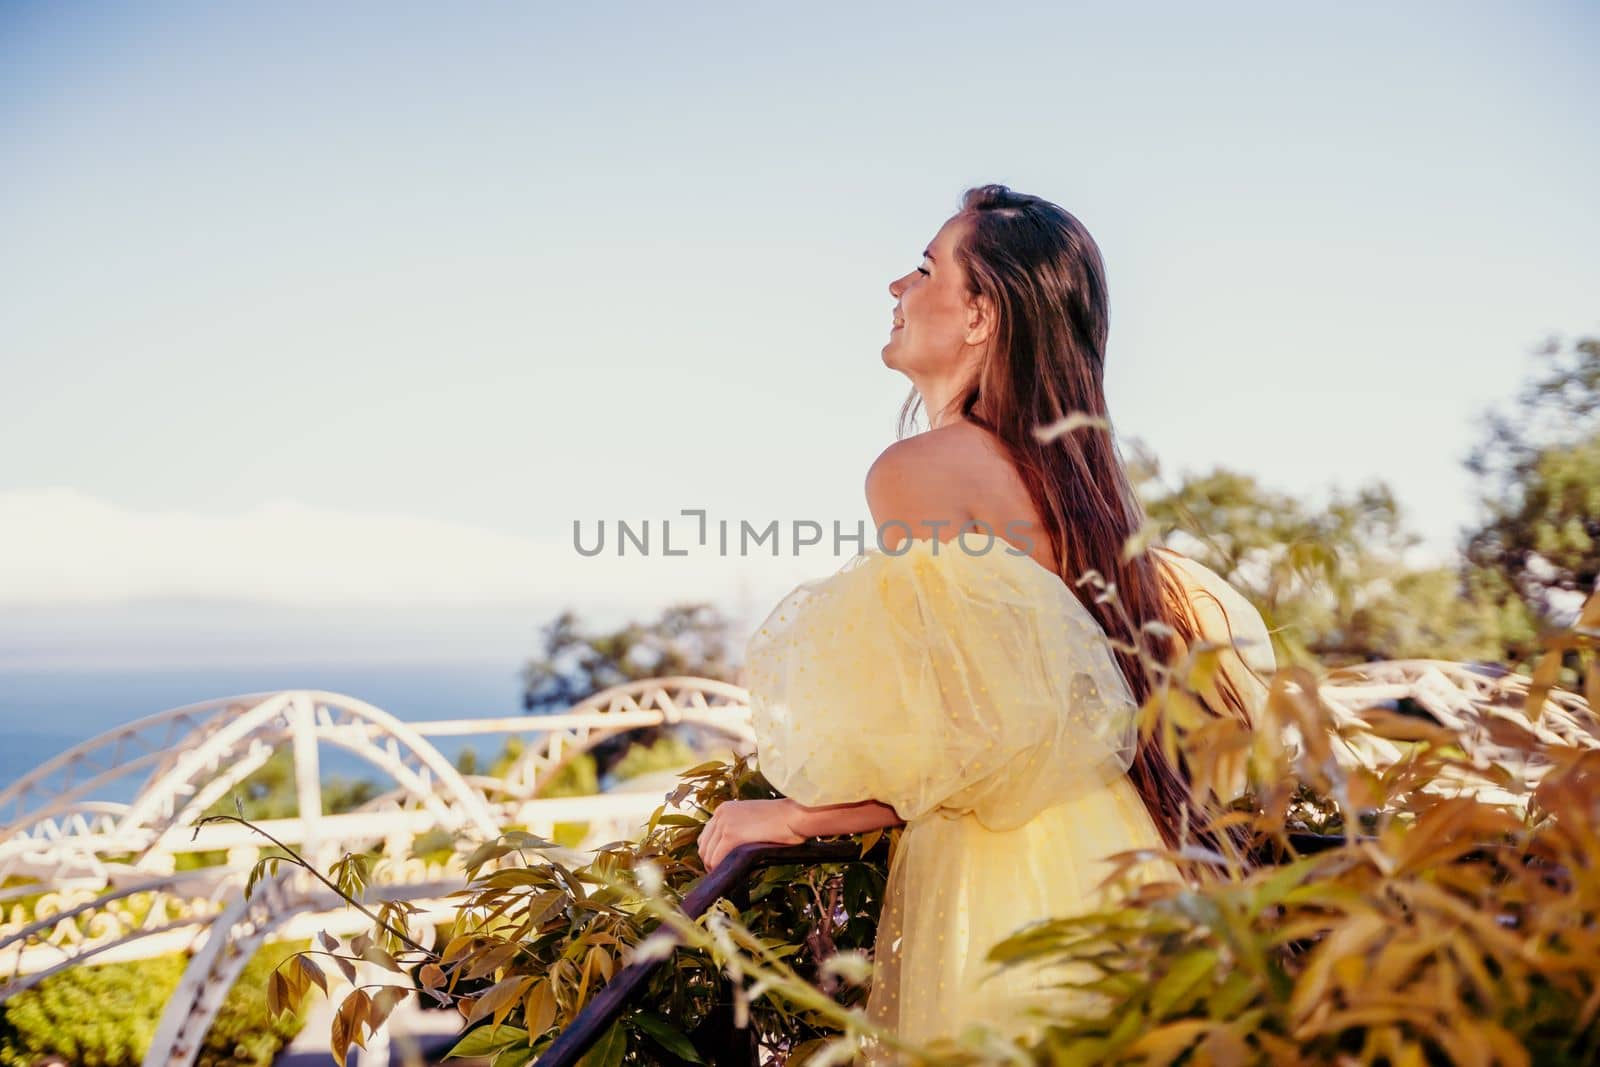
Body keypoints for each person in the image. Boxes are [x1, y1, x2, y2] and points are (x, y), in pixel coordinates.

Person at [696, 184, 1275, 1060]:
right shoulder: (1078, 481)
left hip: (1017, 874)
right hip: (1127, 850)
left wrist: (797, 816)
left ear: (981, 315)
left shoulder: (917, 472)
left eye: (926, 267)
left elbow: (975, 728)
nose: (897, 283)